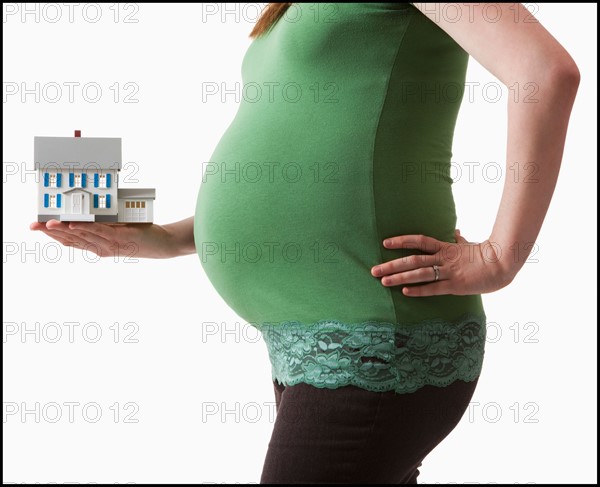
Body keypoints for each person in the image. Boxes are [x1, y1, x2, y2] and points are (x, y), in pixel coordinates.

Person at [31, 2, 580, 484]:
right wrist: (158, 239)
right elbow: (298, 159)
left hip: (377, 337)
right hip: (310, 345)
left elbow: (545, 72)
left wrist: (501, 257)